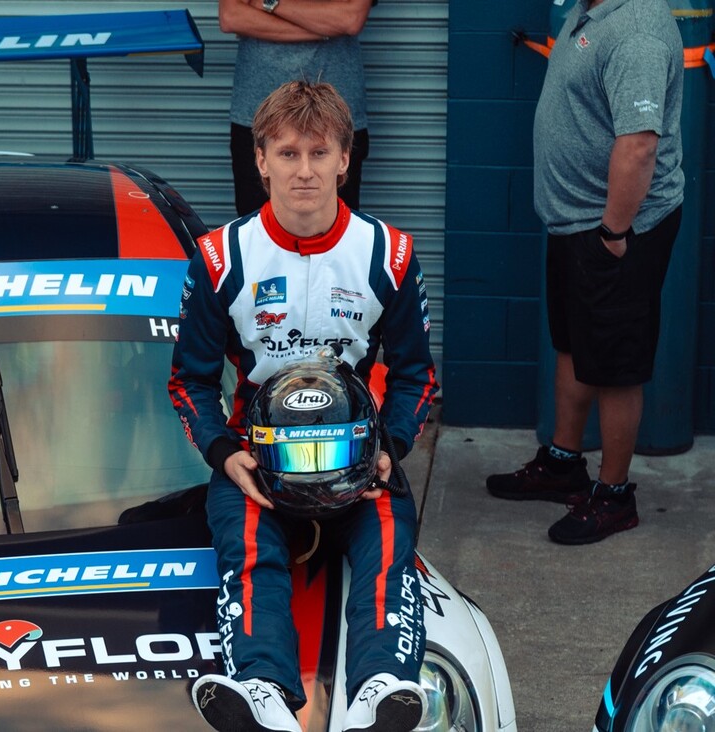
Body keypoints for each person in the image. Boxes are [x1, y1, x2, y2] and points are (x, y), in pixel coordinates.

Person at [169, 80, 437, 732]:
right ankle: (263, 691)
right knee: (248, 547)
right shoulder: (219, 258)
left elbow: (417, 377)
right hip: (258, 459)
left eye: (320, 154)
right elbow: (189, 381)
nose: (305, 172)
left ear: (347, 158)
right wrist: (224, 454)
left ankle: (380, 689)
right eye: (287, 154)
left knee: (387, 541)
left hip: (359, 458)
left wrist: (390, 447)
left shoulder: (388, 256)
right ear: (259, 159)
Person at [486, 0, 684, 545]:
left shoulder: (637, 30)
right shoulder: (586, 11)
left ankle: (614, 496)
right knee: (573, 345)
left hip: (620, 229)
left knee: (616, 363)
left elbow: (640, 144)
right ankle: (562, 463)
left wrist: (614, 233)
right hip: (576, 223)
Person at [218, 0, 376, 216]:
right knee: (256, 233)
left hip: (336, 116)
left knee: (336, 232)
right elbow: (232, 17)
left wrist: (267, 3)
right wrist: (321, 29)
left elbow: (349, 19)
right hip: (255, 114)